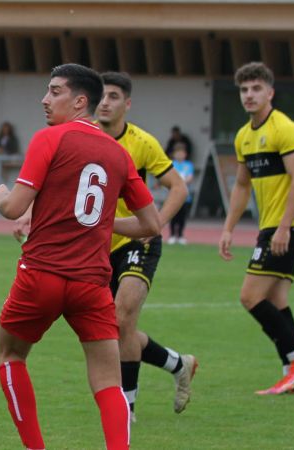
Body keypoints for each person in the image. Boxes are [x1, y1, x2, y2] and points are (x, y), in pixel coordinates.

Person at [0, 63, 161, 450]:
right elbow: (151, 224)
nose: (44, 99)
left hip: (41, 275)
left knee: (10, 354)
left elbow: (15, 208)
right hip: (92, 283)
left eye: (54, 91)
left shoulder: (50, 138)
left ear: (80, 101)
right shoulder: (118, 154)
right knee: (108, 381)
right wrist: (103, 223)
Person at [96, 71, 196, 420]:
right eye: (102, 96)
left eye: (112, 96)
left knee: (123, 314)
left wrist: (155, 226)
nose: (105, 102)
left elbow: (178, 188)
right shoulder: (85, 137)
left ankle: (128, 406)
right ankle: (178, 363)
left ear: (127, 103)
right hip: (99, 248)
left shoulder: (143, 142)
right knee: (117, 330)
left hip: (139, 243)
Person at [219, 61, 294, 395]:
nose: (249, 95)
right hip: (271, 226)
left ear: (270, 92)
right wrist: (229, 228)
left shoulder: (284, 128)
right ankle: (293, 374)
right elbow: (242, 186)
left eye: (256, 88)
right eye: (244, 89)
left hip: (287, 227)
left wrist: (284, 228)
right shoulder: (243, 137)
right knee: (276, 300)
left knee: (249, 297)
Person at [169, 143, 194, 244]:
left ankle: (180, 235)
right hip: (173, 196)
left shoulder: (188, 165)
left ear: (185, 154)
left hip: (185, 196)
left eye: (182, 153)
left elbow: (190, 177)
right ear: (174, 154)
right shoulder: (171, 164)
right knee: (173, 215)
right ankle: (172, 235)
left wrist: (181, 182)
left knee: (182, 217)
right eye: (177, 153)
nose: (180, 155)